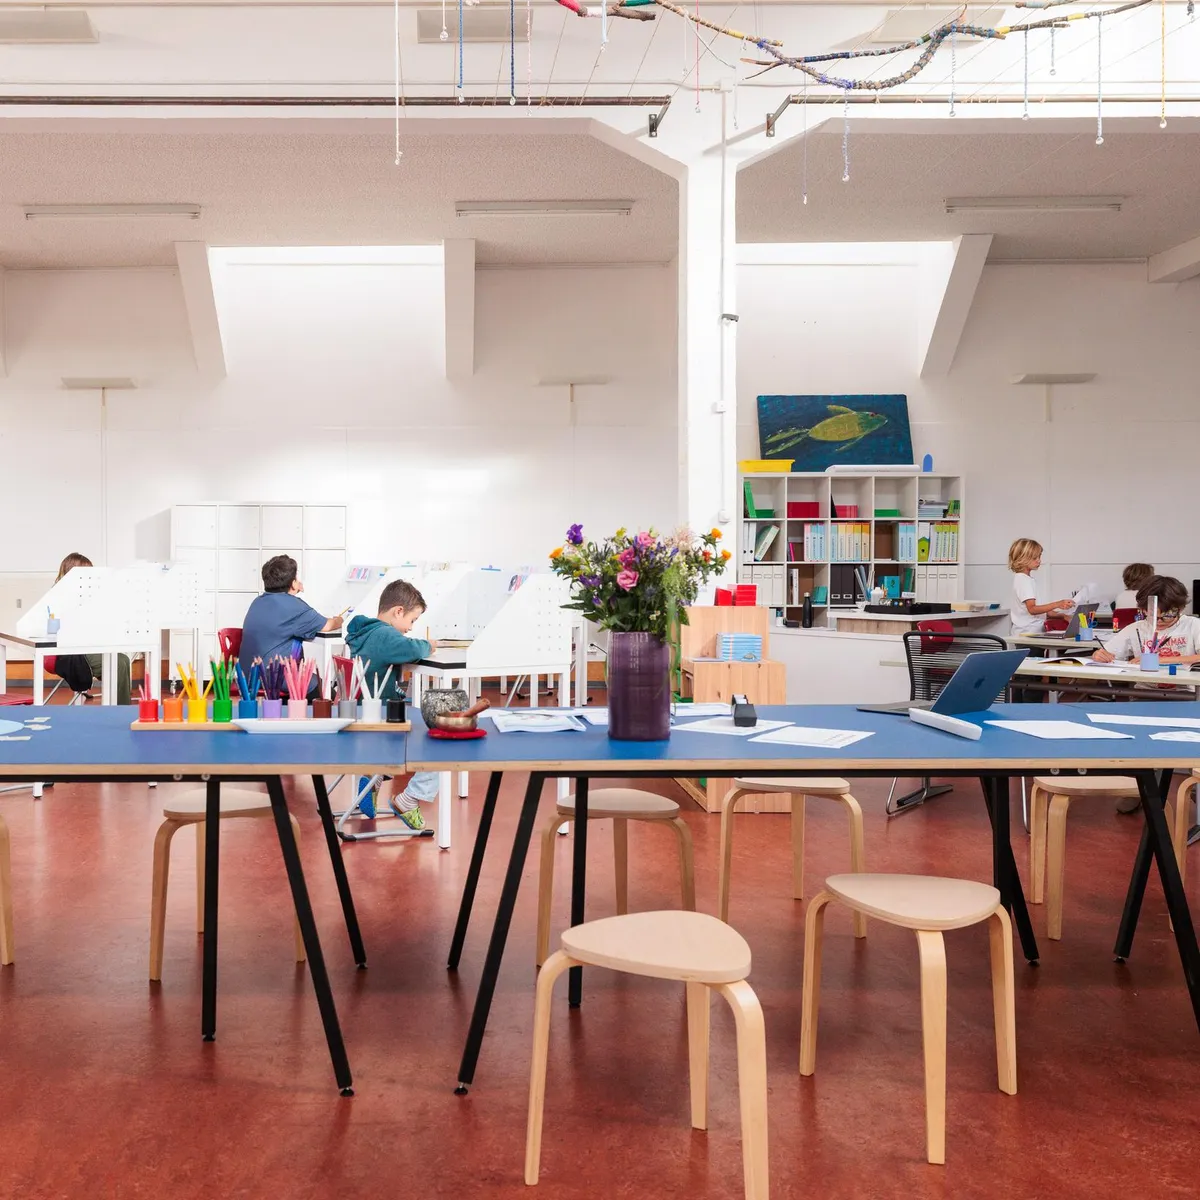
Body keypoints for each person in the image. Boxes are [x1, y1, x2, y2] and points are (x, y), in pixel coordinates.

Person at [345, 579, 440, 831]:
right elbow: (413, 649)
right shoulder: (385, 636)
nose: (410, 628)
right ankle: (409, 799)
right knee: (439, 740)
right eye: (412, 620)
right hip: (382, 724)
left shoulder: (365, 633)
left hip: (362, 717)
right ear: (398, 611)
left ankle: (374, 777)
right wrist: (429, 645)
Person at [238, 555, 342, 686]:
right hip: (274, 676)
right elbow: (328, 625)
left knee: (317, 681)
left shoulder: (257, 602)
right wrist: (339, 619)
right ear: (293, 584)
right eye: (296, 579)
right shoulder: (294, 607)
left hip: (247, 675)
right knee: (324, 689)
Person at [52, 553, 132, 704]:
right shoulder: (60, 596)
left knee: (121, 660)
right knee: (120, 662)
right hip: (73, 653)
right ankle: (121, 710)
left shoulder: (87, 595)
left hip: (86, 646)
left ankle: (118, 705)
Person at [1093, 575, 1200, 666]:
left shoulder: (1193, 625)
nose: (1158, 621)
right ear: (1142, 609)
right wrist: (1099, 655)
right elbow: (1107, 653)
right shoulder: (1136, 628)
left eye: (1167, 616)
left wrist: (1160, 660)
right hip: (1146, 684)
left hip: (1185, 684)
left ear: (1180, 609)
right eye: (1152, 616)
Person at [1008, 538, 1072, 636]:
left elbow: (1044, 612)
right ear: (1022, 558)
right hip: (1026, 633)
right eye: (1035, 558)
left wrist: (1063, 616)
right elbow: (1033, 609)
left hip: (1032, 632)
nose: (1039, 561)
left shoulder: (1027, 579)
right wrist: (1057, 604)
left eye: (1039, 556)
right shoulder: (1023, 580)